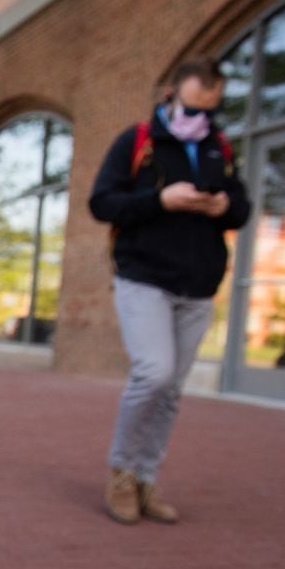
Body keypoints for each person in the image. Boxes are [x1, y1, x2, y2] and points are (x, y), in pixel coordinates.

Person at [89, 57, 251, 525]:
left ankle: (146, 478)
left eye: (211, 108)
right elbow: (102, 203)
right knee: (153, 374)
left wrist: (223, 205)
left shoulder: (219, 146)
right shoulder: (138, 141)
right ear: (171, 94)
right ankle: (121, 473)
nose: (202, 116)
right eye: (195, 106)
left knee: (172, 391)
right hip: (144, 277)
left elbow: (241, 208)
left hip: (198, 283)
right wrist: (161, 199)